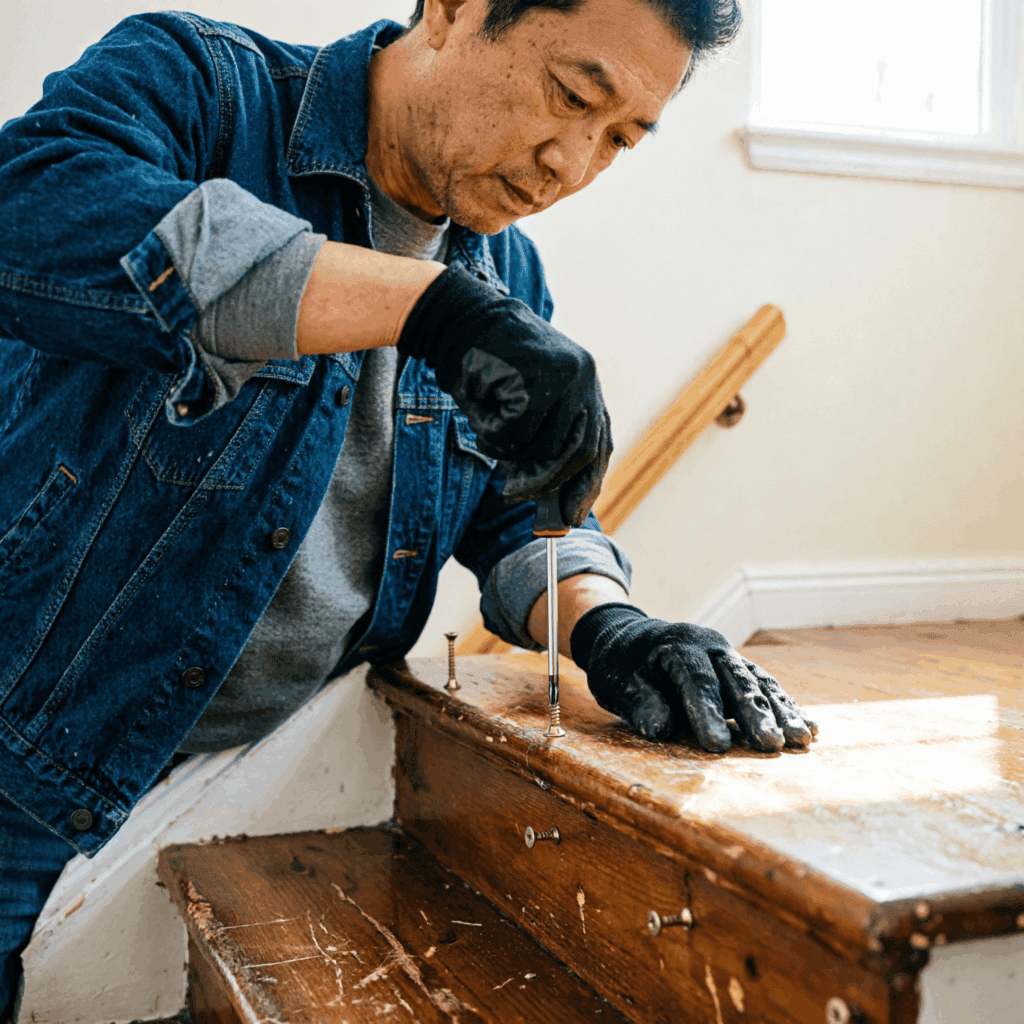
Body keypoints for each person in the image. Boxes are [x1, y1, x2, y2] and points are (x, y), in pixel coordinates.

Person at [0, 0, 817, 1018]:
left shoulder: (507, 274)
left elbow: (521, 517)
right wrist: (423, 306)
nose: (573, 162)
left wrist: (611, 624)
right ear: (453, 10)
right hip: (29, 760)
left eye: (620, 139)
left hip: (269, 779)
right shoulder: (202, 87)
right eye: (573, 96)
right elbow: (32, 208)